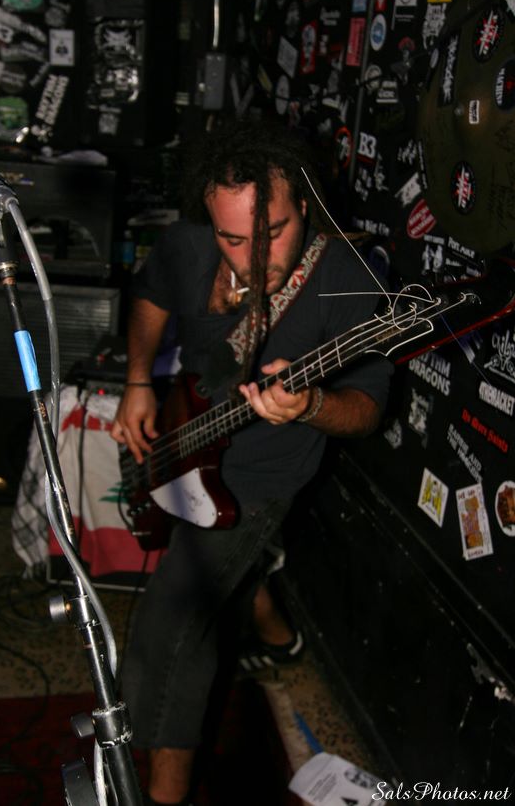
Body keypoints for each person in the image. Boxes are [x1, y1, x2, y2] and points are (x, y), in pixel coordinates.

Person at [111, 118, 393, 805]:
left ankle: (162, 796)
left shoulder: (347, 278)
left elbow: (367, 410)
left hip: (260, 480)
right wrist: (138, 381)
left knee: (176, 623)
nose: (255, 257)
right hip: (185, 436)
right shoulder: (188, 244)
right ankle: (276, 630)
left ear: (304, 204)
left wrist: (310, 405)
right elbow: (150, 293)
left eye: (274, 232)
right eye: (234, 239)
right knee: (214, 572)